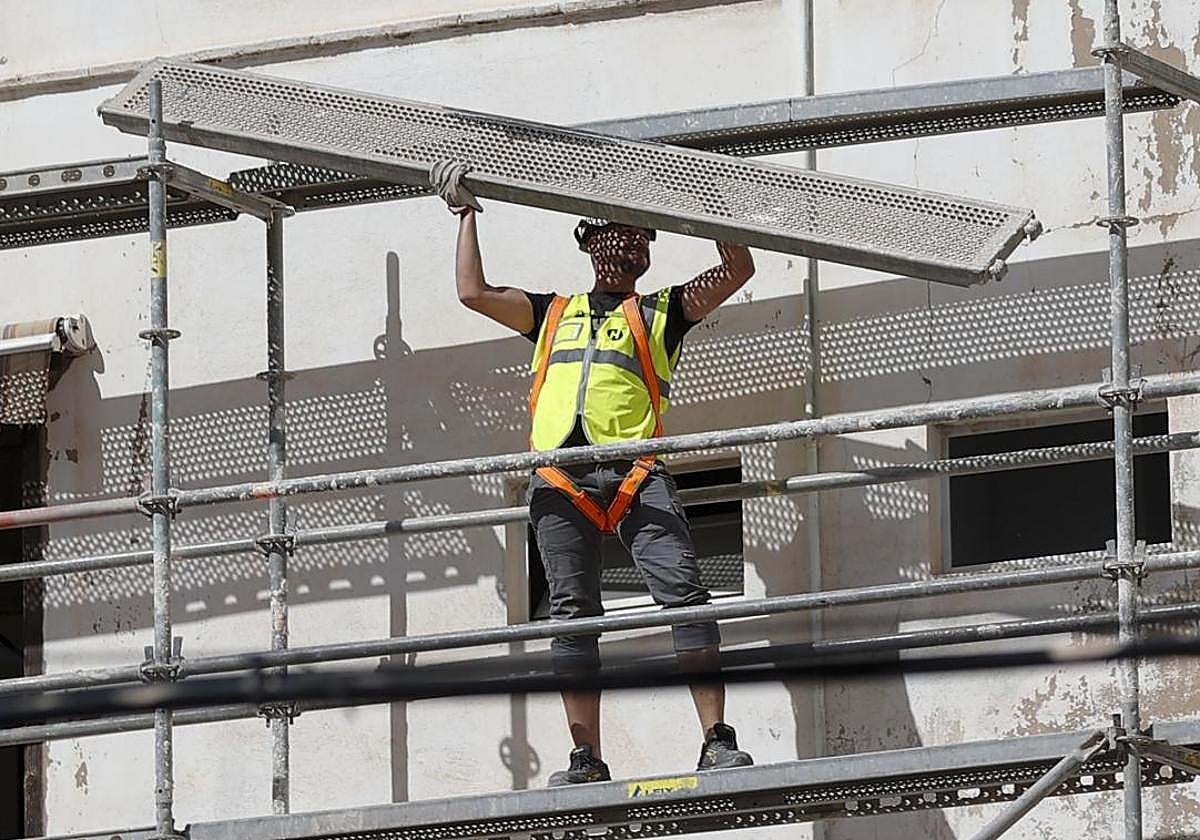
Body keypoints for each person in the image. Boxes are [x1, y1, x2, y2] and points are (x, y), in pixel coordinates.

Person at [430, 161, 757, 785]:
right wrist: (466, 214)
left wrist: (710, 200)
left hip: (636, 475)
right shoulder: (551, 313)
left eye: (641, 236)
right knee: (573, 618)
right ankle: (586, 758)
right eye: (618, 233)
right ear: (590, 244)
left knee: (686, 598)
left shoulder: (662, 311)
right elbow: (472, 292)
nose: (631, 244)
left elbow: (736, 270)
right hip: (560, 480)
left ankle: (717, 740)